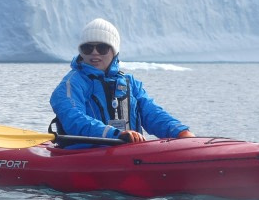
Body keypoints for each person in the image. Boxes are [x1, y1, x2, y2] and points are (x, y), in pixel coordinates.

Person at [49, 18, 194, 145]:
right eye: (87, 48)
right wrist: (114, 134)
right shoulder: (71, 84)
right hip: (85, 155)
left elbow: (153, 113)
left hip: (127, 154)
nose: (94, 52)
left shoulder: (130, 84)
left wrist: (179, 132)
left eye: (102, 47)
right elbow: (73, 119)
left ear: (114, 52)